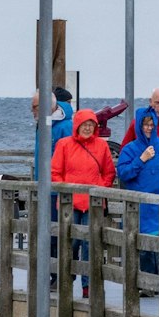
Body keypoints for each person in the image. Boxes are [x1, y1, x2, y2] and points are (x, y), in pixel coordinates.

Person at [115, 105, 159, 275]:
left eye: (151, 125)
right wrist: (141, 159)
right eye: (145, 125)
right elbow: (124, 173)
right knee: (143, 246)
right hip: (139, 208)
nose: (148, 128)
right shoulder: (130, 149)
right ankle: (146, 282)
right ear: (139, 126)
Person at [53, 108, 117, 295]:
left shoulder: (102, 146)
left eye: (91, 125)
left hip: (93, 203)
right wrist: (65, 189)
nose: (88, 128)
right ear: (77, 126)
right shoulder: (64, 144)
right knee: (70, 242)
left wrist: (100, 189)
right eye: (85, 125)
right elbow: (55, 172)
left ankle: (87, 285)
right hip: (70, 202)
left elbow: (109, 172)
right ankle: (67, 277)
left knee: (90, 243)